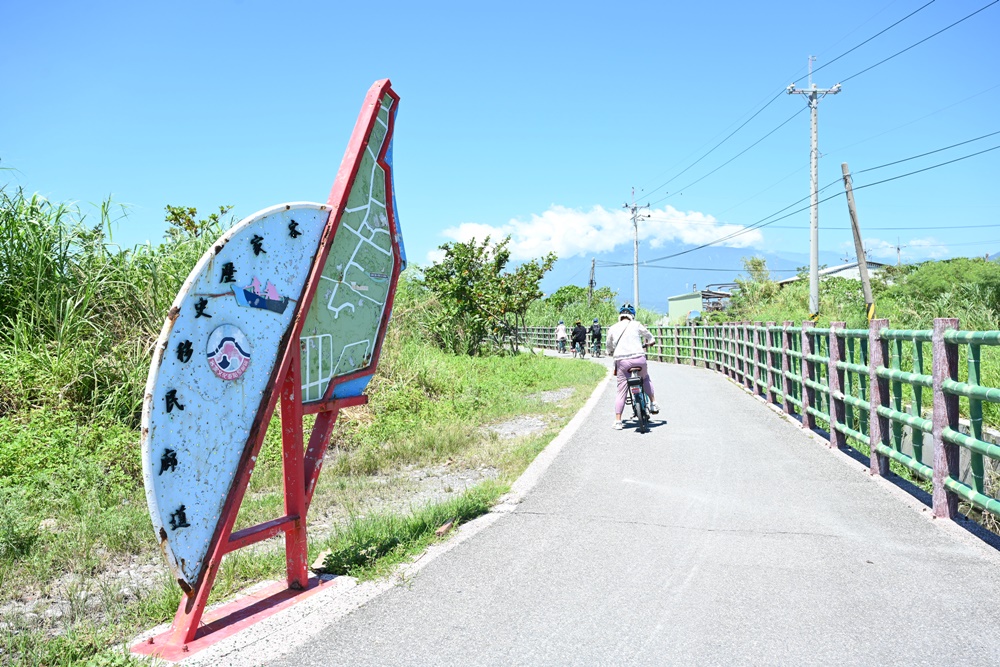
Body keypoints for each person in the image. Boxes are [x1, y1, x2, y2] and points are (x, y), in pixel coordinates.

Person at [606, 303, 660, 430]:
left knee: (621, 390)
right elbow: (650, 336)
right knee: (645, 378)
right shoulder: (636, 324)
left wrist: (609, 352)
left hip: (622, 362)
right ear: (632, 315)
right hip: (639, 359)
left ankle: (618, 421)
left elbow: (608, 345)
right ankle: (653, 403)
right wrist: (651, 342)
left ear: (620, 315)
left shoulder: (613, 327)